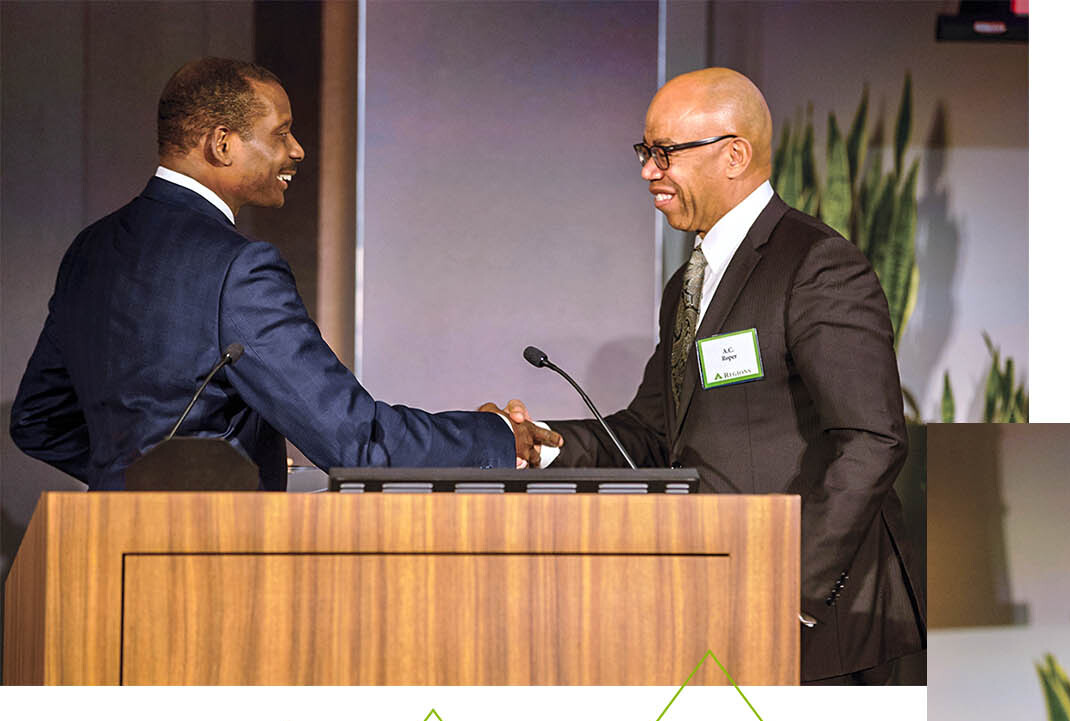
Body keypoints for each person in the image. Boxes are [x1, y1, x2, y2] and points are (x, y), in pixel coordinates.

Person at [515, 67, 924, 684]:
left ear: (735, 154)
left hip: (830, 629)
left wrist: (789, 592)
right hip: (725, 605)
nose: (649, 170)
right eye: (645, 151)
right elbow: (652, 435)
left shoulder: (817, 265)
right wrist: (543, 443)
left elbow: (871, 440)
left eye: (665, 152)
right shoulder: (689, 283)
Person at [10, 57, 559, 490]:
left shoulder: (91, 248)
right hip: (204, 564)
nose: (297, 150)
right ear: (222, 144)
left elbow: (38, 422)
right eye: (281, 134)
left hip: (100, 561)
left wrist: (139, 486)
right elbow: (354, 439)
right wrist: (494, 436)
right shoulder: (239, 267)